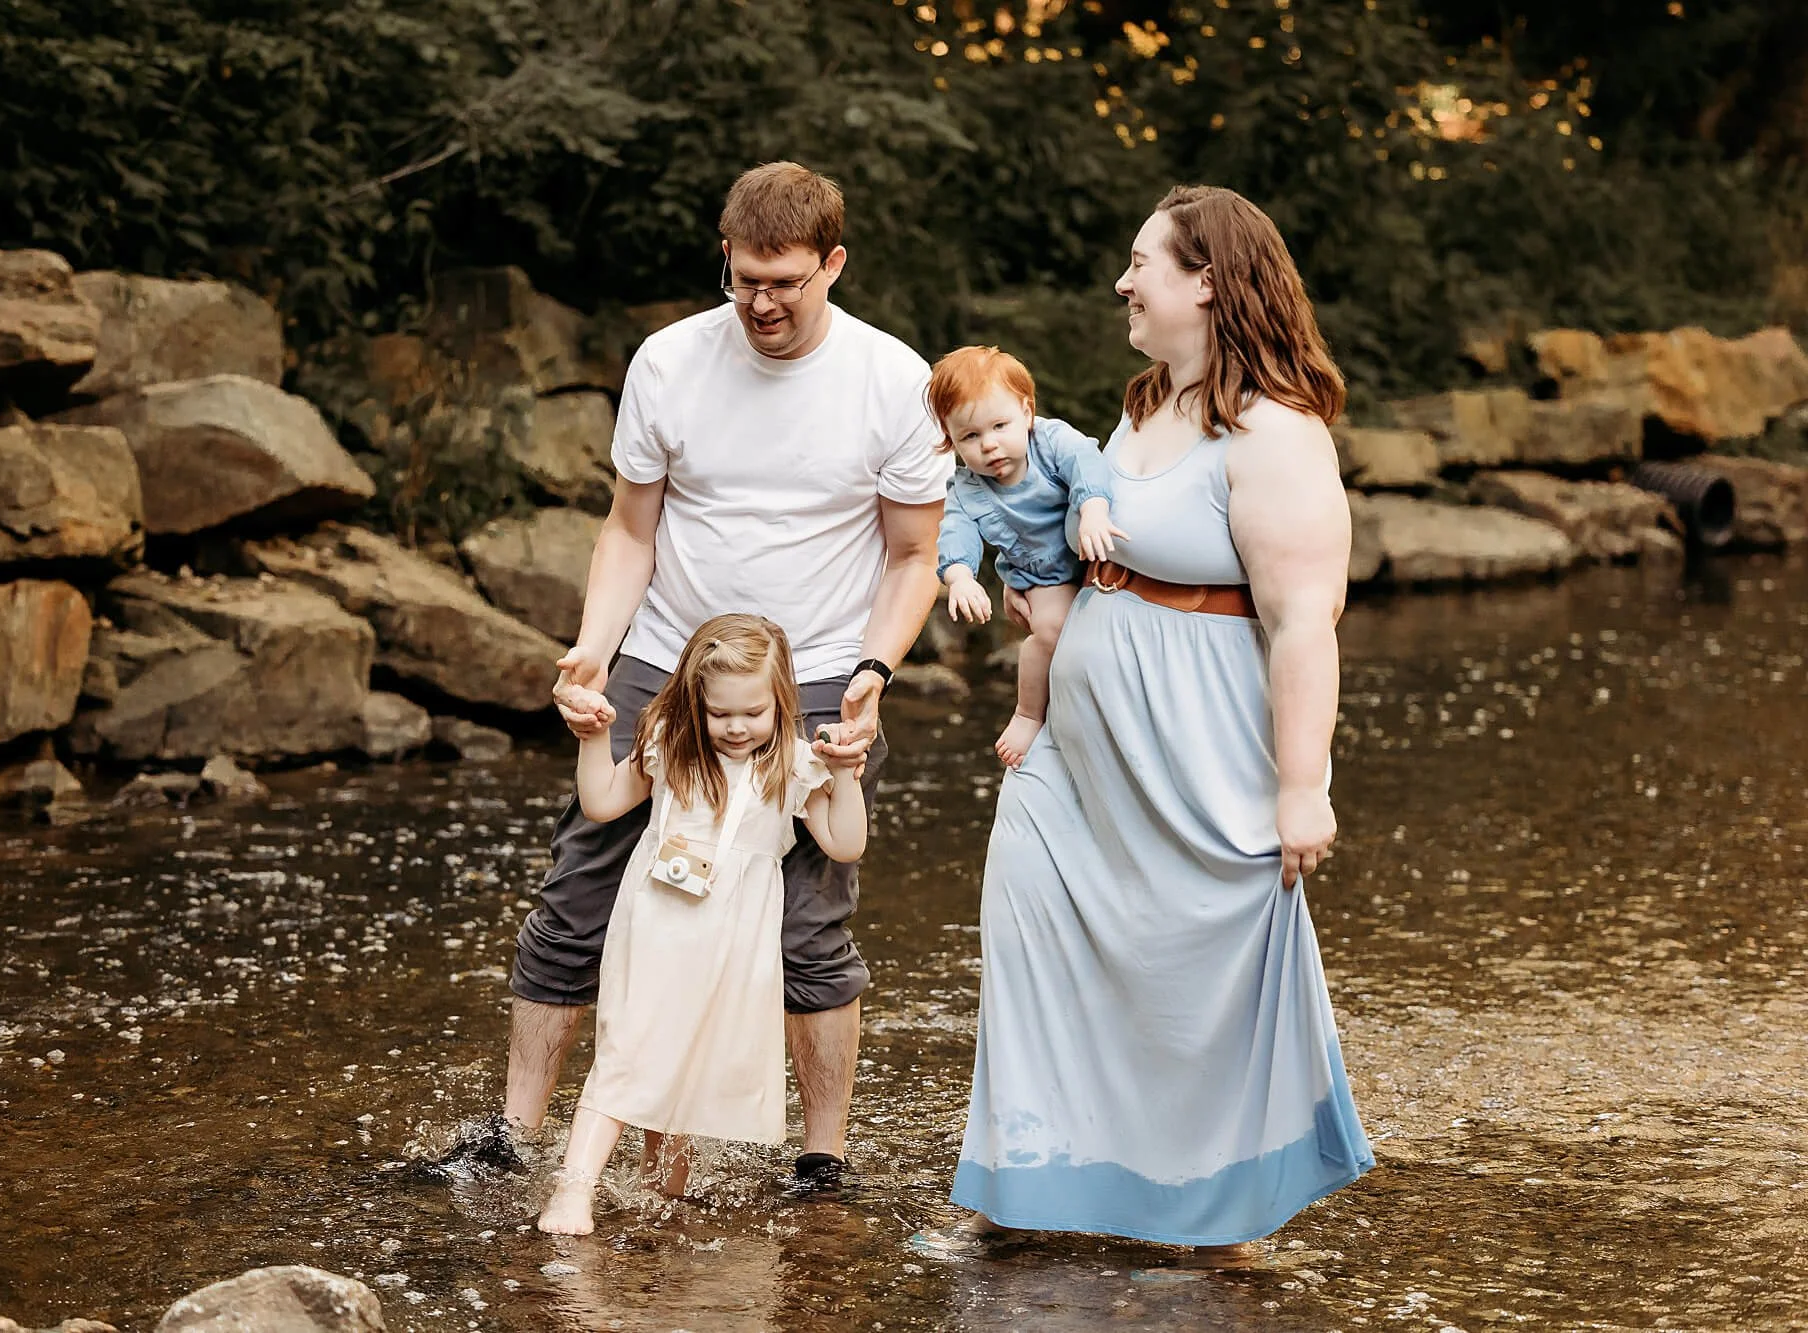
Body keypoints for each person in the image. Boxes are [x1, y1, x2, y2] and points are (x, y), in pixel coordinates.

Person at [927, 184, 1373, 1261]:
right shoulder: (1137, 407)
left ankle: (1212, 1211)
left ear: (1208, 280)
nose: (1121, 282)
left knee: (1185, 972)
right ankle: (1015, 1185)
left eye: (1141, 264)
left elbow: (1303, 618)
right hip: (1072, 755)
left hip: (1194, 749)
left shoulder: (1273, 431)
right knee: (1029, 931)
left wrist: (1300, 784)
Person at [491, 161, 951, 1190]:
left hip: (822, 669)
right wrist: (592, 647)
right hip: (667, 662)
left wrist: (874, 669)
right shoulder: (669, 361)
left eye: (784, 280)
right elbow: (627, 529)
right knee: (578, 894)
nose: (760, 302)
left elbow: (912, 558)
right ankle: (511, 1136)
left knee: (806, 924)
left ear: (832, 263)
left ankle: (821, 1156)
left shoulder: (893, 382)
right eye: (744, 276)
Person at [537, 615, 869, 1235]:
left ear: (782, 702)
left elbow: (844, 844)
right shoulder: (669, 742)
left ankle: (660, 1192)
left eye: (754, 712)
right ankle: (573, 1189)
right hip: (658, 926)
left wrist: (846, 774)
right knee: (628, 1048)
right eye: (721, 715)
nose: (738, 728)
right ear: (696, 703)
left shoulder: (795, 765)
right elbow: (602, 802)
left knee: (692, 1056)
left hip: (736, 944)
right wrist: (592, 738)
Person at [929, 345, 1124, 768]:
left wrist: (1093, 508)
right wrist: (960, 577)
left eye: (1000, 425)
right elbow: (956, 531)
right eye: (970, 436)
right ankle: (1027, 712)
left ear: (1027, 412)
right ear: (951, 441)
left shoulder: (1051, 442)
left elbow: (1086, 461)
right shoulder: (968, 490)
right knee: (1053, 630)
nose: (990, 445)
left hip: (1091, 549)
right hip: (1043, 578)